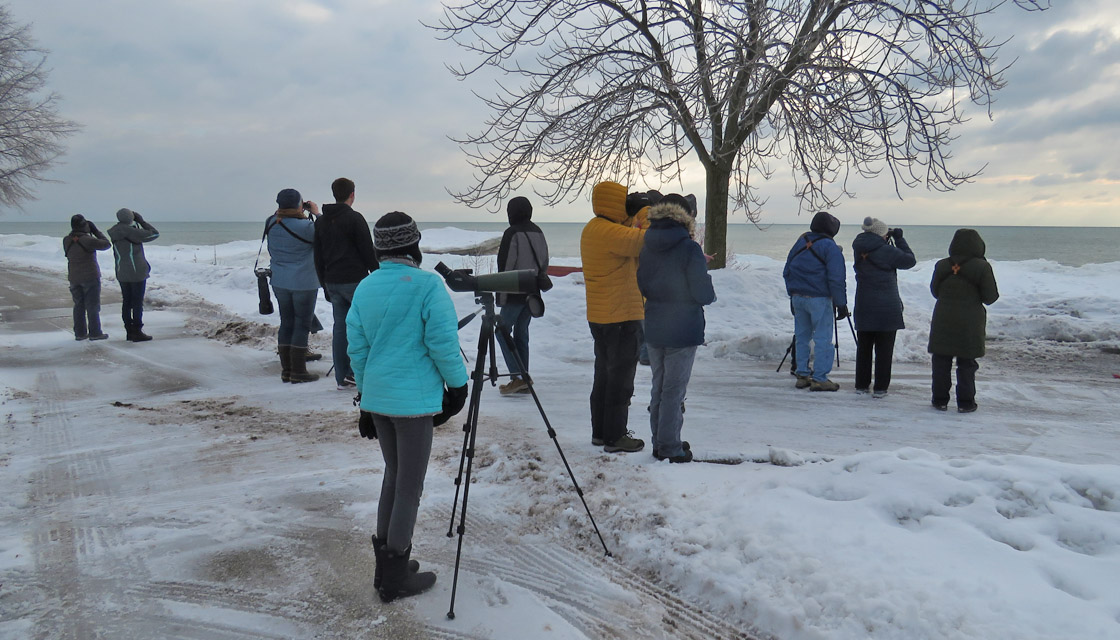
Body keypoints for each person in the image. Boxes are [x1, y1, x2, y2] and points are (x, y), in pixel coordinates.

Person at [346, 211, 468, 602]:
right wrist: (459, 385)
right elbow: (443, 343)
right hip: (413, 404)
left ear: (381, 248)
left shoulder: (365, 288)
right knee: (408, 486)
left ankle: (387, 567)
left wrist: (365, 398)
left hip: (380, 399)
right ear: (413, 244)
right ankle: (396, 573)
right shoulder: (428, 286)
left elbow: (358, 349)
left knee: (393, 477)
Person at [637, 194, 715, 463]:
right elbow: (702, 292)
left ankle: (660, 442)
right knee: (674, 390)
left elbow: (643, 285)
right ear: (686, 218)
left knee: (659, 387)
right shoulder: (689, 248)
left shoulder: (647, 245)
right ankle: (670, 446)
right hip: (682, 326)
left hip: (656, 323)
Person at [581, 180, 647, 453]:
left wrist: (632, 218)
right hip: (620, 315)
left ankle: (601, 432)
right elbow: (645, 242)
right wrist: (644, 213)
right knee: (620, 379)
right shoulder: (610, 232)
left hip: (602, 316)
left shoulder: (593, 228)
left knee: (604, 376)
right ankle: (615, 436)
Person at [313, 177, 379, 391]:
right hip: (354, 281)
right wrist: (378, 275)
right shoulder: (354, 218)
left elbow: (318, 256)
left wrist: (323, 283)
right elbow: (367, 251)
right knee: (365, 326)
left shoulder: (321, 221)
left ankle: (343, 376)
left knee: (340, 327)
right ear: (352, 194)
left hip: (332, 280)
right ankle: (364, 371)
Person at [928, 228, 1000, 413]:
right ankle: (966, 403)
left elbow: (935, 291)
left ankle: (939, 400)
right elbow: (990, 297)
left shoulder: (942, 265)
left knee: (941, 361)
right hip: (969, 322)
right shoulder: (982, 267)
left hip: (943, 319)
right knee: (966, 363)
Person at [782, 211, 847, 392]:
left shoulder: (801, 241)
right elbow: (836, 278)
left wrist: (792, 293)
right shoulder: (829, 247)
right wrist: (841, 304)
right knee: (823, 339)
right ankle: (820, 378)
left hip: (798, 297)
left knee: (802, 337)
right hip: (820, 298)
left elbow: (787, 270)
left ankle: (802, 374)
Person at [851, 217, 916, 398]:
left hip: (864, 304)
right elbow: (910, 261)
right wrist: (900, 239)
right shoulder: (886, 250)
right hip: (886, 307)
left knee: (864, 348)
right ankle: (880, 388)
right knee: (884, 350)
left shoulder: (858, 247)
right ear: (882, 234)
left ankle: (861, 386)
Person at [495, 196, 549, 396]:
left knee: (501, 331)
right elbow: (544, 263)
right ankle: (522, 378)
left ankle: (518, 377)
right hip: (532, 292)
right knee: (521, 333)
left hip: (515, 290)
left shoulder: (512, 233)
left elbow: (506, 266)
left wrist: (501, 294)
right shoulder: (538, 231)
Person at [266, 188, 321, 383]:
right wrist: (315, 213)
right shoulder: (306, 227)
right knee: (302, 323)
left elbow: (281, 216)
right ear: (300, 204)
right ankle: (298, 371)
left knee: (287, 321)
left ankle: (286, 369)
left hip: (279, 281)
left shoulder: (271, 222)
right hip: (304, 282)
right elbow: (325, 233)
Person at [107, 208, 159, 342]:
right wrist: (141, 221)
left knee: (127, 302)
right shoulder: (131, 231)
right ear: (131, 218)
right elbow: (154, 234)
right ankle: (137, 331)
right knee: (137, 302)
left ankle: (129, 331)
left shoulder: (115, 231)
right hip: (136, 272)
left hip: (122, 271)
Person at [64, 214, 112, 341]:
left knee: (78, 305)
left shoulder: (66, 240)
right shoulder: (88, 240)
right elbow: (106, 244)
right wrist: (95, 231)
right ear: (84, 225)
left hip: (74, 277)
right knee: (92, 306)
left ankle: (79, 333)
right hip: (90, 276)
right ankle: (95, 332)